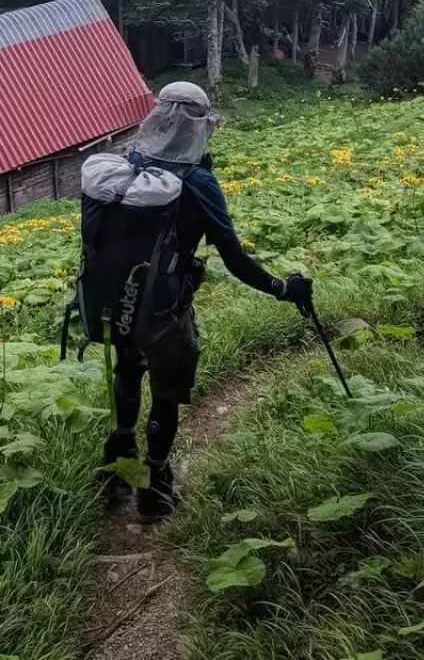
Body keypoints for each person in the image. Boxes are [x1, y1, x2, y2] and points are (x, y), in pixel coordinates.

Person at [101, 82, 312, 522]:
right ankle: (154, 492)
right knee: (164, 393)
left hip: (114, 297)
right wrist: (282, 288)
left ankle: (119, 462)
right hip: (161, 307)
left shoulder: (127, 164)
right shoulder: (196, 181)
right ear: (199, 127)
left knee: (126, 370)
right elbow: (233, 258)